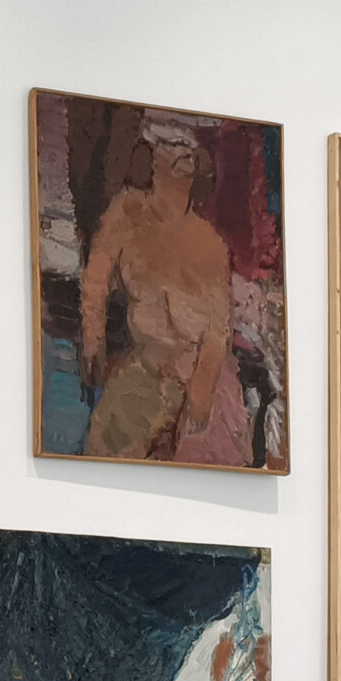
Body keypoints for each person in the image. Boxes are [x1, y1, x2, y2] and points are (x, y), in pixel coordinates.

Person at [77, 119, 246, 465]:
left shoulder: (210, 245)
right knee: (104, 457)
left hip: (205, 380)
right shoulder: (128, 214)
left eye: (188, 149)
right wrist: (92, 339)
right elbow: (95, 280)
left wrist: (200, 396)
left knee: (208, 466)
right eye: (170, 144)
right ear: (154, 157)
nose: (182, 154)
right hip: (144, 374)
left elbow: (217, 330)